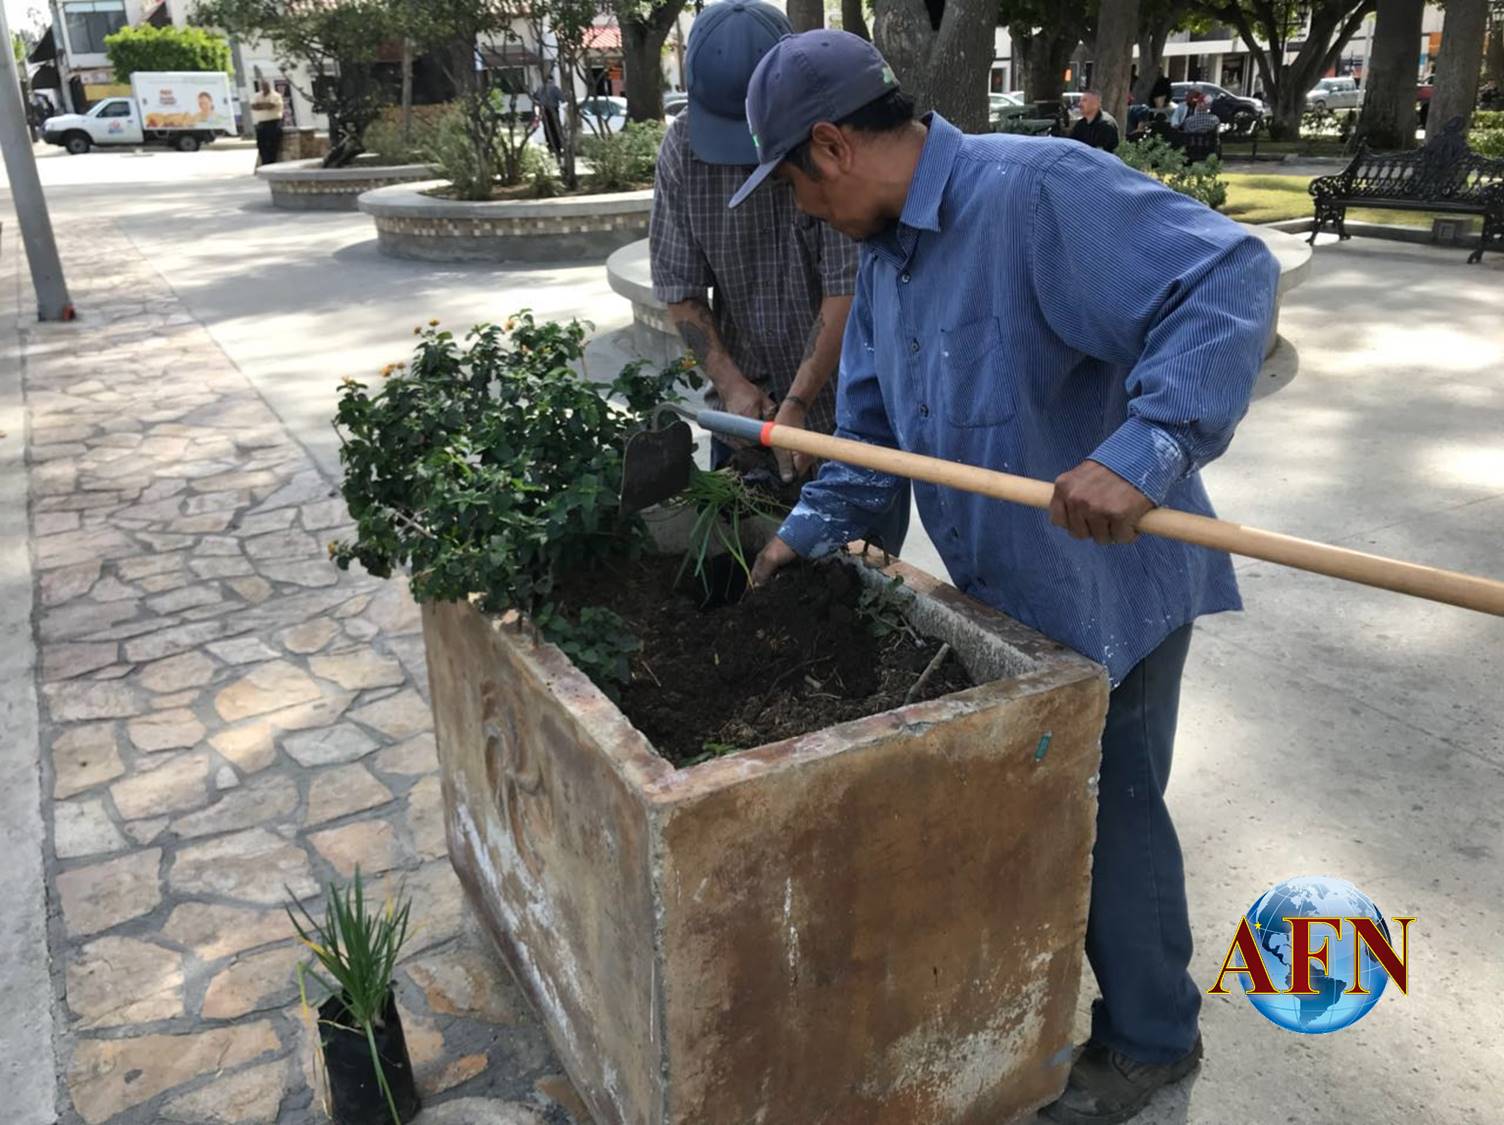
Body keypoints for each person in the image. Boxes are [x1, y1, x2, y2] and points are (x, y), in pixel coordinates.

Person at [734, 29, 1279, 1125]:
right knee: (1059, 814)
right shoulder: (885, 263)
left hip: (1112, 589)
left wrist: (1147, 446)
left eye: (794, 184)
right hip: (1016, 603)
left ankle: (1153, 1041)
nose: (803, 210)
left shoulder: (1035, 192)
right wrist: (801, 538)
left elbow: (1230, 275)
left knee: (1115, 817)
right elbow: (873, 442)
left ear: (831, 145)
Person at [648, 0, 907, 549]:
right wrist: (733, 386)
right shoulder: (681, 152)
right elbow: (679, 286)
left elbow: (847, 287)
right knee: (745, 571)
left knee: (862, 583)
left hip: (846, 424)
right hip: (744, 426)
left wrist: (799, 403)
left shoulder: (832, 155)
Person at [250, 80, 284, 168]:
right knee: (261, 145)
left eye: (266, 86)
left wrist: (261, 105)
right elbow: (253, 106)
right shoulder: (257, 96)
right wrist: (264, 105)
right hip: (261, 124)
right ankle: (265, 164)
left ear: (269, 86)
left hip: (273, 123)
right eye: (263, 86)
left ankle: (272, 163)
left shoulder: (276, 95)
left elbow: (271, 106)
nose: (264, 88)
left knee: (272, 145)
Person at [534, 73, 564, 160]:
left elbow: (536, 99)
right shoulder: (554, 88)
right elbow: (562, 99)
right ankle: (558, 149)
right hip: (553, 110)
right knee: (556, 130)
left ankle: (550, 148)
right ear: (552, 80)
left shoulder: (540, 88)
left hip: (544, 111)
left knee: (547, 130)